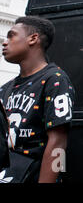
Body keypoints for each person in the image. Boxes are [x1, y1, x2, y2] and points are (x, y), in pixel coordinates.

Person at [0, 16, 74, 183]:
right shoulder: (5, 89)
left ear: (33, 39)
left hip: (33, 175)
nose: (5, 42)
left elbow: (59, 144)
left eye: (12, 35)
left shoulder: (55, 80)